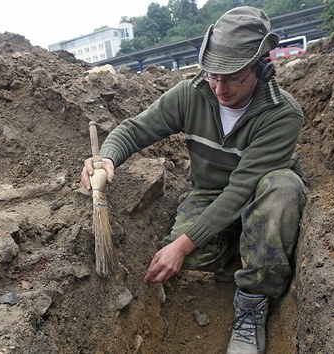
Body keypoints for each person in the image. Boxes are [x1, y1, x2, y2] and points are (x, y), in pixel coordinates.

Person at [80, 6, 307, 354]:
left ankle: (253, 300)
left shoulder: (281, 114)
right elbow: (135, 129)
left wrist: (183, 244)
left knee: (282, 190)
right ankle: (253, 252)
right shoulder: (193, 93)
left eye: (232, 77)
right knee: (189, 260)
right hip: (209, 193)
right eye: (213, 74)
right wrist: (107, 157)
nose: (219, 87)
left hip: (259, 193)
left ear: (260, 65)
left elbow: (241, 190)